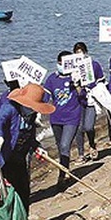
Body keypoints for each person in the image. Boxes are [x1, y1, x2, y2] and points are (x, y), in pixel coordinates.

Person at [0, 83, 55, 213]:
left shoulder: (31, 114)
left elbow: (29, 135)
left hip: (18, 156)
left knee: (23, 191)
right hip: (1, 157)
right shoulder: (9, 108)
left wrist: (37, 147)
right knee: (6, 195)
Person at [44, 51, 85, 188]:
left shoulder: (75, 77)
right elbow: (45, 98)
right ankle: (64, 168)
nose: (63, 66)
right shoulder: (51, 79)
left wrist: (78, 83)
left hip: (72, 117)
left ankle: (63, 175)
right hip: (56, 118)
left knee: (64, 145)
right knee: (60, 146)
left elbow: (83, 97)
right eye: (61, 63)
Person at [73, 42, 105, 163]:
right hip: (79, 101)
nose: (79, 54)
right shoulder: (73, 68)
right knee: (79, 128)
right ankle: (81, 154)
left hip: (91, 100)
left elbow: (101, 81)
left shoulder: (94, 65)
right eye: (76, 52)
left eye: (81, 51)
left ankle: (92, 144)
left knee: (89, 127)